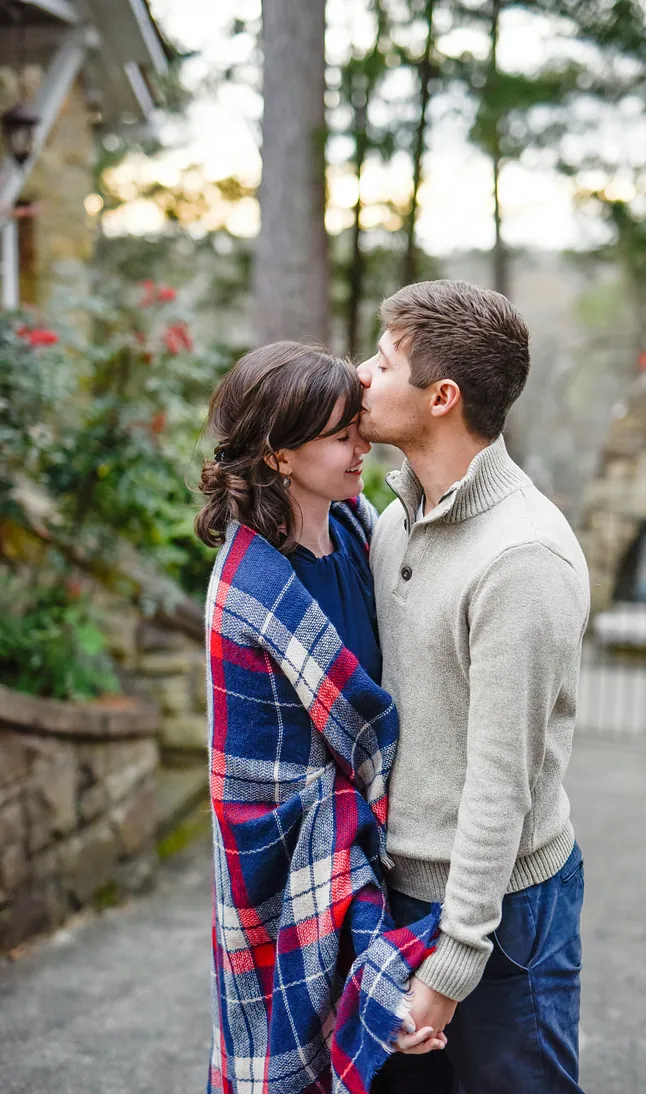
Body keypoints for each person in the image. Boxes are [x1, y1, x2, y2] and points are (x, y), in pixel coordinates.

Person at [357, 281, 591, 1094]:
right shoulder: (395, 518)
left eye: (383, 363)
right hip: (394, 900)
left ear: (441, 397)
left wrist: (454, 963)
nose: (361, 376)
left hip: (504, 917)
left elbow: (501, 784)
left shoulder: (523, 560)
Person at [194, 341, 444, 1094]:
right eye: (342, 435)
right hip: (289, 864)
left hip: (381, 838)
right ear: (278, 456)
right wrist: (383, 971)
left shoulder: (359, 529)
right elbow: (278, 804)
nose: (364, 445)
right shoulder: (248, 593)